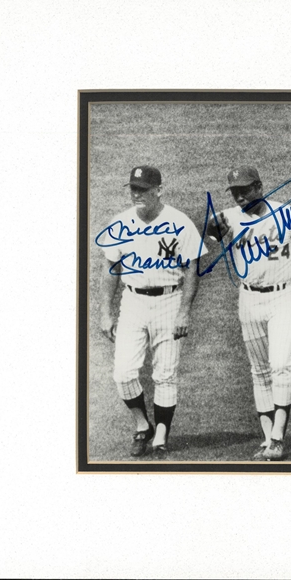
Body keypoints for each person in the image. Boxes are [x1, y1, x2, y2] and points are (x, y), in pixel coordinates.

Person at [209, 165, 291, 461]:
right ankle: (267, 438)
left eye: (244, 190)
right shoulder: (227, 218)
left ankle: (278, 438)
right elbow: (202, 242)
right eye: (234, 192)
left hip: (284, 295)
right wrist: (208, 231)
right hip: (248, 299)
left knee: (280, 365)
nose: (239, 197)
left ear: (259, 187)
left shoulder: (287, 213)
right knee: (259, 371)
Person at [97, 165, 207, 458]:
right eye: (133, 189)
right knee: (123, 372)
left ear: (159, 190)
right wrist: (105, 312)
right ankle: (141, 423)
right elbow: (111, 270)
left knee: (165, 374)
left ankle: (161, 433)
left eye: (143, 189)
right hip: (132, 303)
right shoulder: (120, 223)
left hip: (169, 301)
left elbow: (193, 269)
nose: (137, 194)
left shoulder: (179, 222)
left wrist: (185, 310)